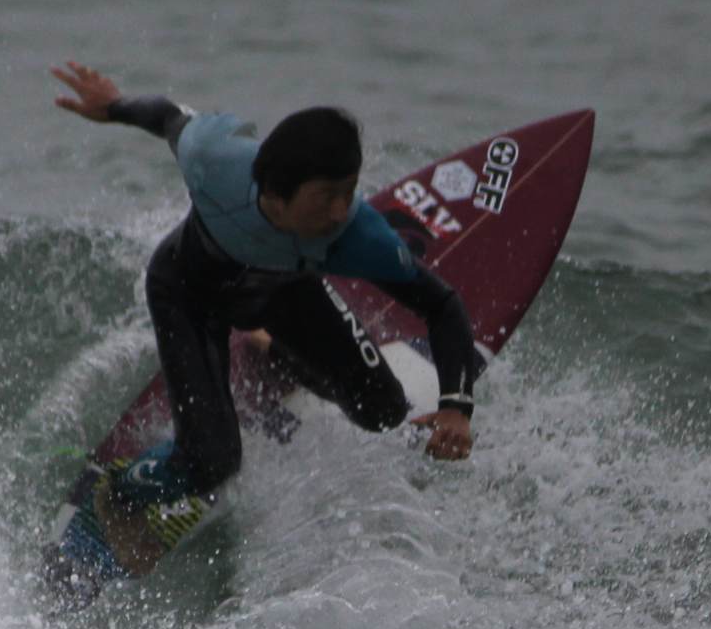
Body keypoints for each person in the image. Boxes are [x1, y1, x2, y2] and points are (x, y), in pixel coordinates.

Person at [51, 61, 481, 524]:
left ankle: (271, 346)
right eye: (326, 195)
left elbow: (442, 304)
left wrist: (456, 407)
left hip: (280, 292)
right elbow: (169, 117)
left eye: (349, 190)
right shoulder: (213, 162)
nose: (342, 211)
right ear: (276, 196)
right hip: (188, 293)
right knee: (211, 465)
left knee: (383, 411)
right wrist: (114, 106)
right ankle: (120, 492)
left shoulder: (360, 236)